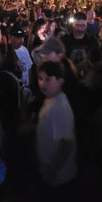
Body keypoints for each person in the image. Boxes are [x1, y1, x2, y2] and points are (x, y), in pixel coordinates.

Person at [36, 61, 77, 191]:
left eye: (48, 79)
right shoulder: (50, 99)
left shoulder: (59, 106)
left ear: (60, 81)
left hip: (60, 175)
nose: (43, 83)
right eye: (40, 78)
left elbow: (67, 142)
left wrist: (52, 170)